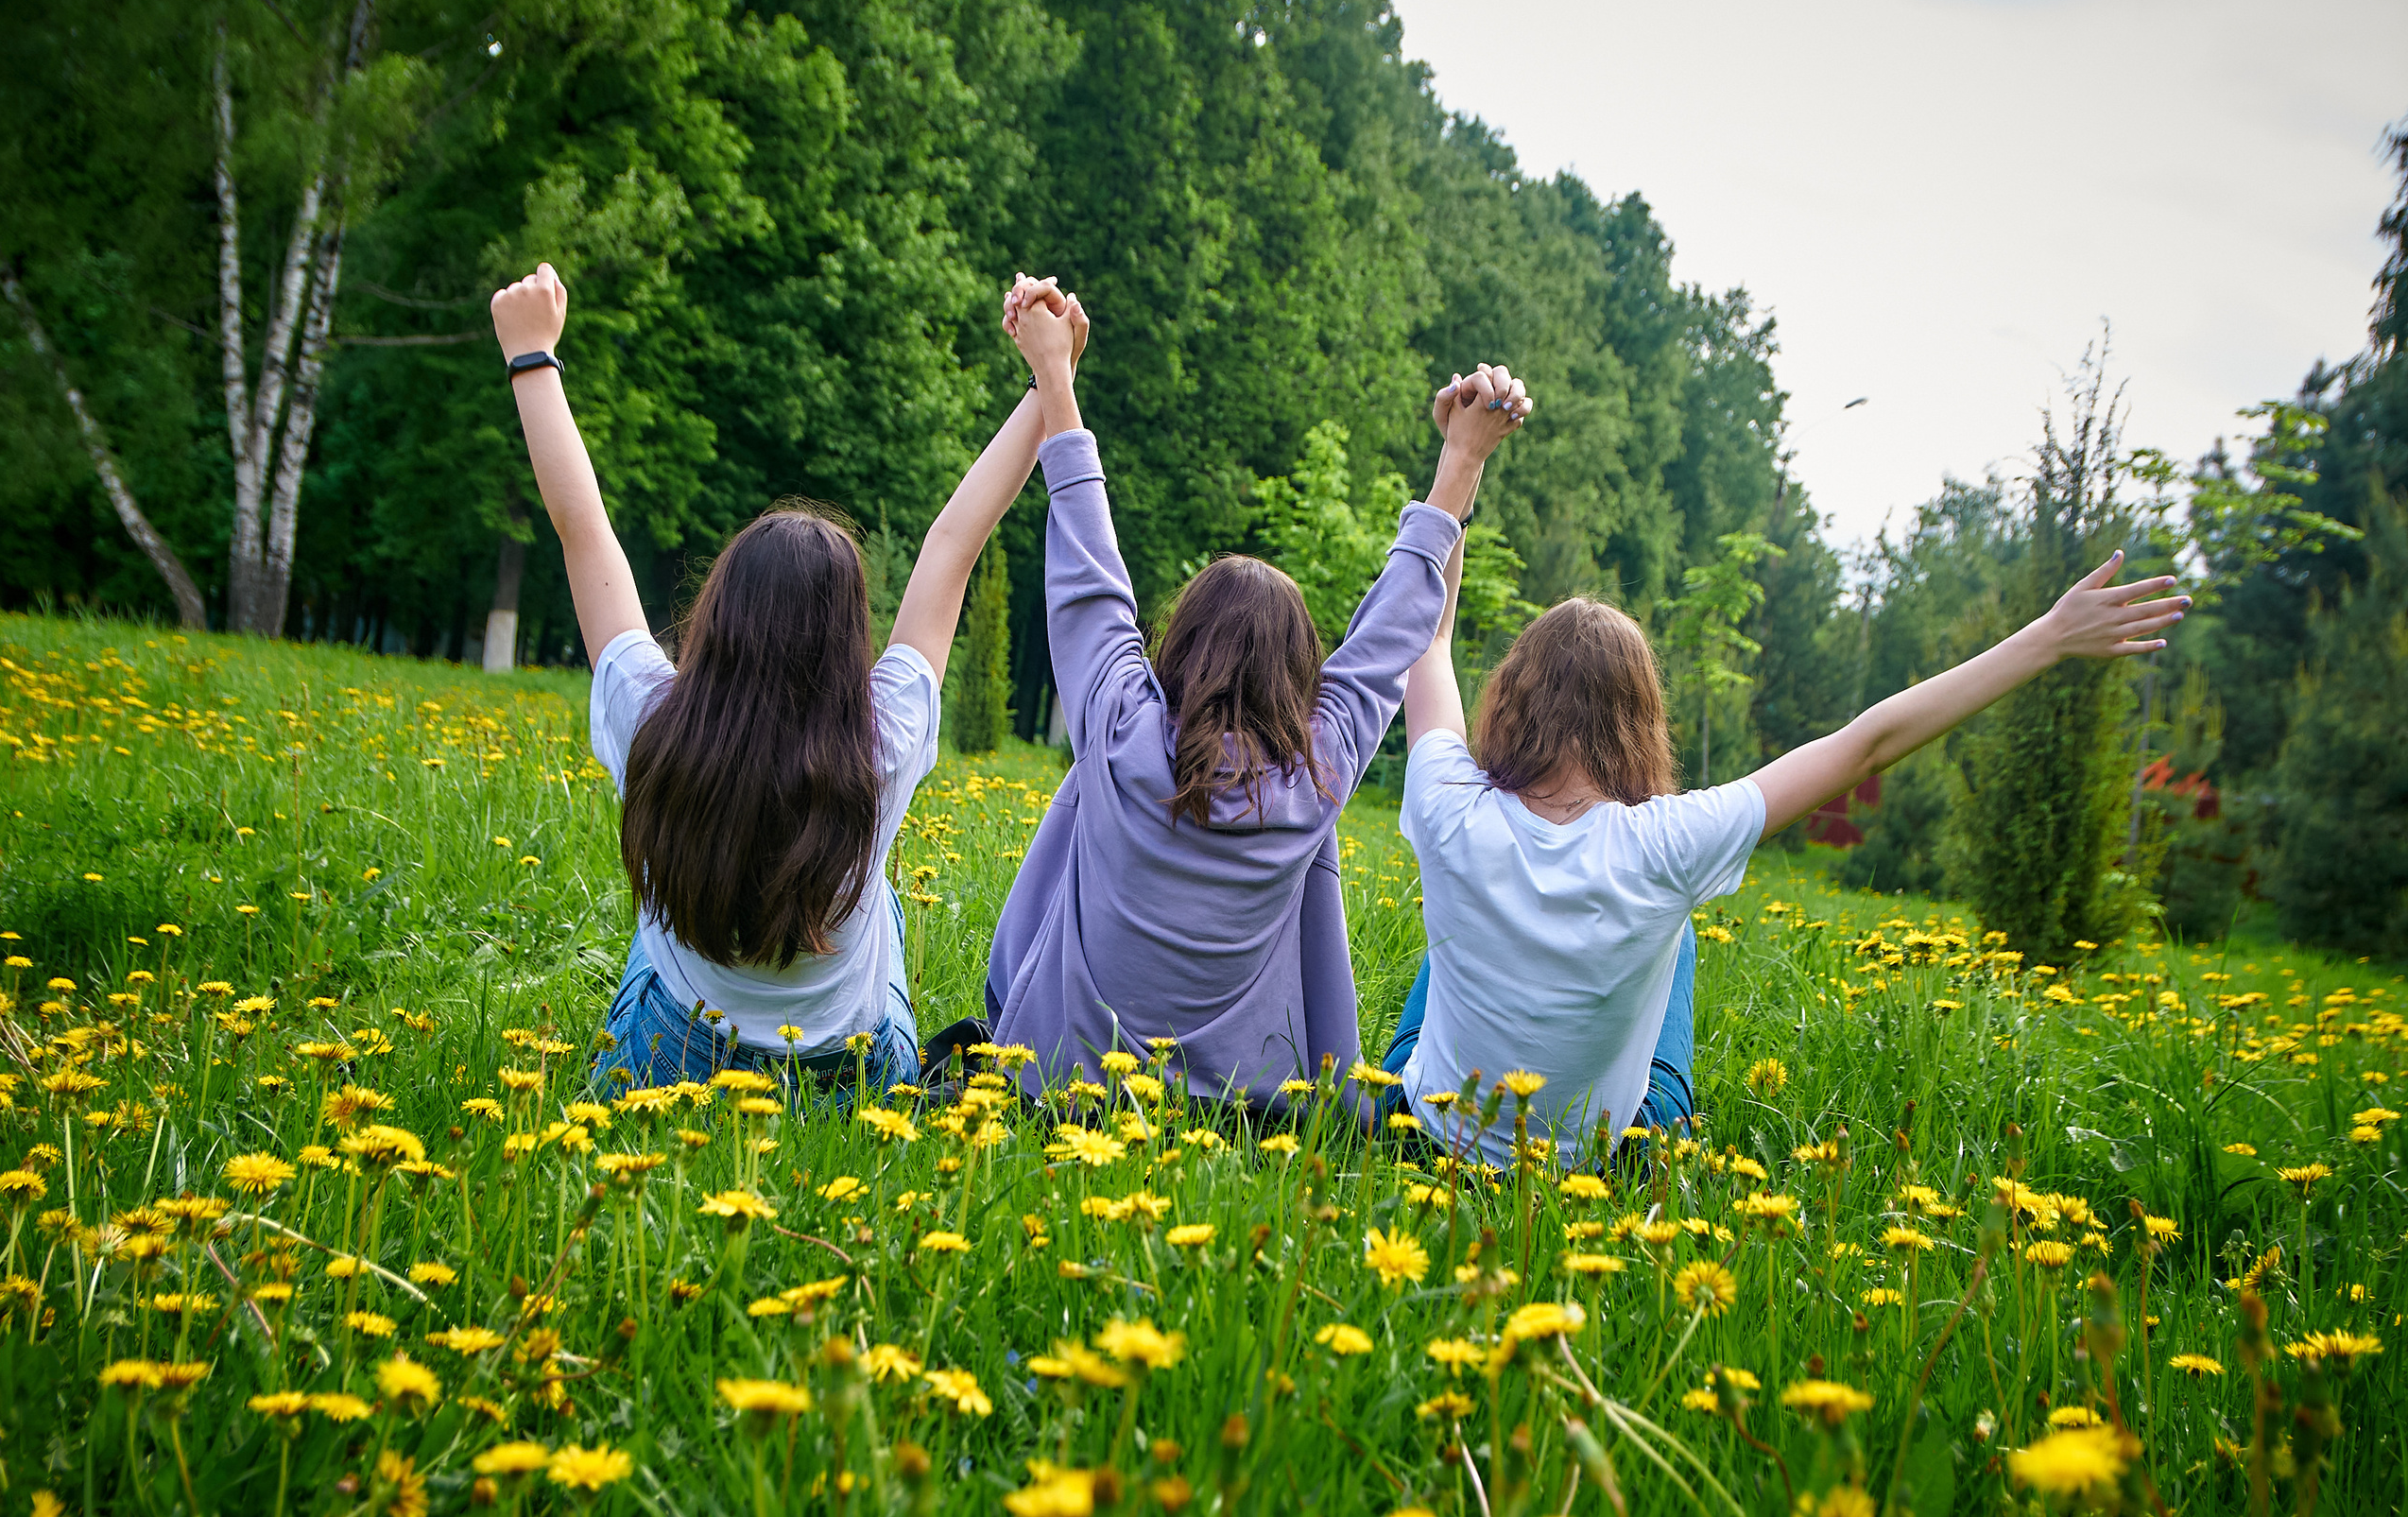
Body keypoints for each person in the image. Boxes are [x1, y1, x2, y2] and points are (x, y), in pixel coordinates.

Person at [1386, 533, 2189, 1167]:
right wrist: (2047, 638)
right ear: (1639, 719)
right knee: (1678, 926)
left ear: (1514, 696)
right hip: (1602, 1162)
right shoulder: (1671, 844)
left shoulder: (1450, 806)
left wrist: (1462, 467)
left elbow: (1432, 635)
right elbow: (1868, 744)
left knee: (1463, 895)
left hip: (1429, 1135)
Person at [489, 262, 1084, 1094]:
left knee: (664, 898)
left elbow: (581, 529)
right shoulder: (881, 744)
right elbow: (955, 544)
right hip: (850, 1072)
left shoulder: (650, 721)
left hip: (673, 1057)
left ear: (720, 613)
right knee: (883, 903)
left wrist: (531, 356)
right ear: (847, 641)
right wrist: (1048, 380)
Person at [980, 282, 1530, 1106]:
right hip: (1245, 1109)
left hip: (1058, 1093)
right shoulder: (1320, 773)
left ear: (1177, 647)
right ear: (1300, 676)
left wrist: (1055, 374)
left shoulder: (1122, 727)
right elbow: (1392, 634)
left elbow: (1088, 566)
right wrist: (1462, 460)